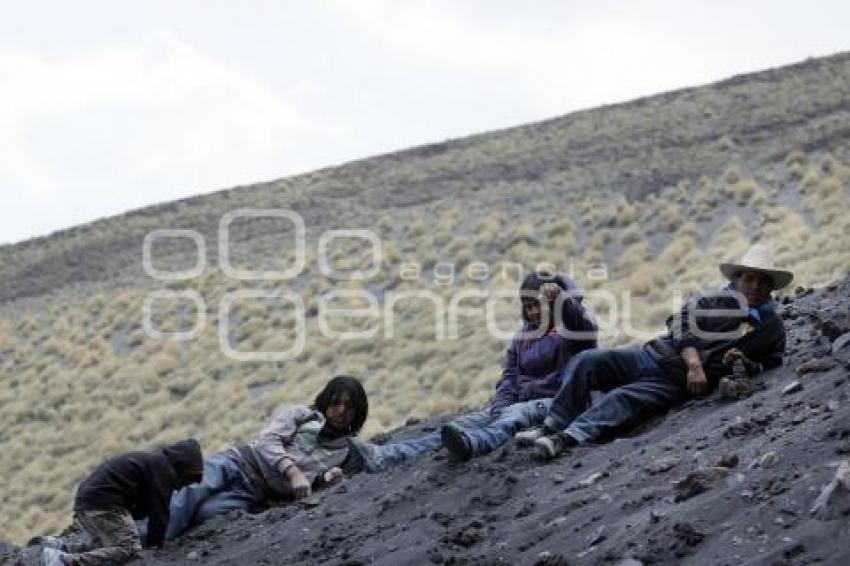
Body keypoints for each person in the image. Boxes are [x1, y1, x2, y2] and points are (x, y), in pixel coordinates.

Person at [521, 244, 791, 461]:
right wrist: (694, 363)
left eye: (763, 281)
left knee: (623, 398)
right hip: (652, 354)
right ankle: (551, 425)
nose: (755, 286)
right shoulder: (711, 300)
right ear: (738, 279)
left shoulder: (771, 327)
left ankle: (564, 439)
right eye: (750, 278)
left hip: (675, 381)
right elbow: (678, 322)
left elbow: (771, 361)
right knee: (587, 361)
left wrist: (745, 363)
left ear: (771, 288)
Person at [361, 271, 598, 469]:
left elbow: (586, 331)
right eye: (528, 307)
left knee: (514, 416)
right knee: (460, 425)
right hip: (520, 403)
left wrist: (563, 300)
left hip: (558, 402)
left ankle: (475, 444)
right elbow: (510, 377)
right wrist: (499, 405)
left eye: (538, 304)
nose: (534, 312)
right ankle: (386, 456)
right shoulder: (521, 337)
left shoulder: (571, 327)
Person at [163, 375, 369, 540]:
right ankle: (146, 542)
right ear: (326, 401)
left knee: (205, 513)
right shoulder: (301, 414)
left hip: (255, 491)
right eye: (336, 403)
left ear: (357, 412)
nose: (341, 411)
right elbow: (266, 442)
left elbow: (309, 483)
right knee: (191, 493)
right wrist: (293, 472)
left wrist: (325, 480)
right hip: (238, 462)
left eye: (349, 407)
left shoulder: (343, 452)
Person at [42, 439, 203, 566]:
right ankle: (65, 562)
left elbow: (145, 508)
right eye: (190, 478)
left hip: (90, 502)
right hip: (104, 504)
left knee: (110, 544)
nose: (186, 485)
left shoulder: (153, 463)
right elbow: (160, 515)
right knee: (129, 549)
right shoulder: (162, 470)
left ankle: (62, 549)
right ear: (181, 465)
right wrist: (156, 548)